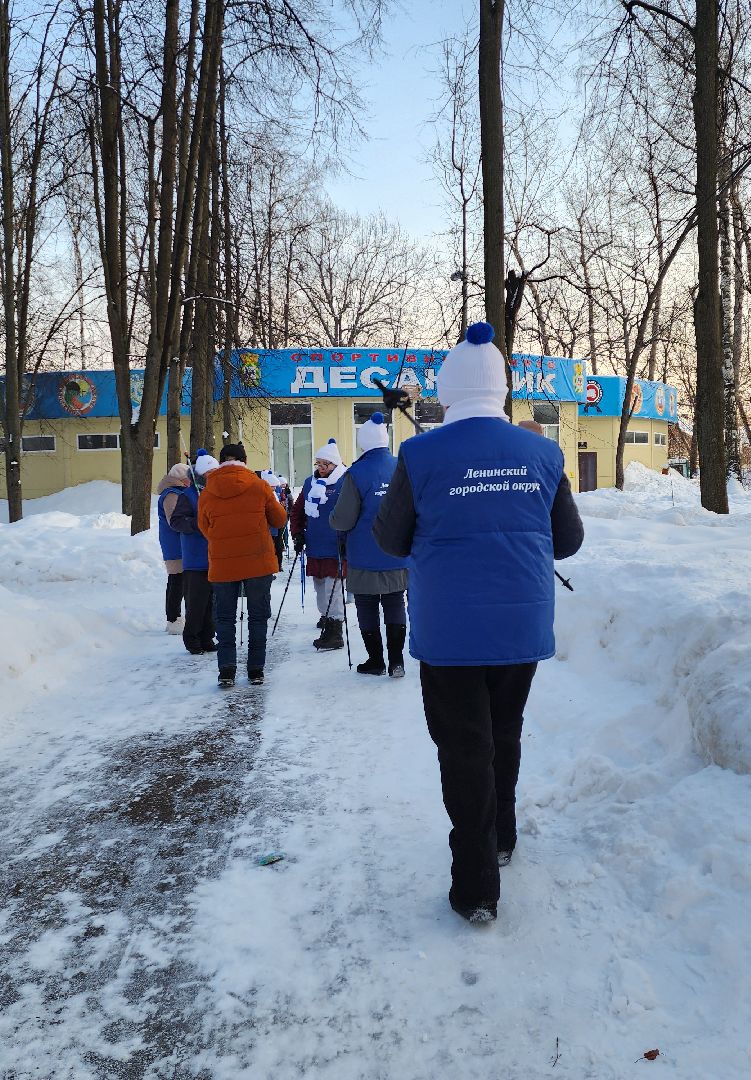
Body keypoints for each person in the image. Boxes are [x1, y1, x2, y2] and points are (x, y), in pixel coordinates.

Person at [373, 321, 584, 925]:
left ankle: (476, 887)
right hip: (522, 625)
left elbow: (390, 540)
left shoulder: (419, 453)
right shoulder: (542, 453)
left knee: (464, 746)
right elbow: (567, 540)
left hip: (450, 631)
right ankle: (502, 835)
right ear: (500, 385)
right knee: (505, 729)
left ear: (447, 388)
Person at [198, 442, 288, 688]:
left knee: (225, 618)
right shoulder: (259, 486)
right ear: (244, 461)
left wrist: (221, 541)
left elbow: (204, 526)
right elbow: (279, 519)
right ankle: (256, 670)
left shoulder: (208, 491)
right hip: (258, 561)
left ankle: (226, 670)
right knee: (258, 617)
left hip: (223, 563)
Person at [330, 411, 408, 677]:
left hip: (365, 554)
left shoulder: (357, 473)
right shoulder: (401, 467)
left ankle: (376, 661)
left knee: (366, 605)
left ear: (362, 442)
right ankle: (397, 661)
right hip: (397, 552)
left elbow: (342, 519)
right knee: (395, 602)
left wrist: (332, 518)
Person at [290, 439, 348, 651]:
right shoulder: (309, 483)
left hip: (336, 545)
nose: (321, 468)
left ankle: (336, 629)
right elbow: (297, 511)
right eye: (319, 464)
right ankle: (326, 619)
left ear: (335, 464)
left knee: (334, 588)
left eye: (326, 464)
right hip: (315, 544)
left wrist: (348, 540)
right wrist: (297, 534)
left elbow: (352, 513)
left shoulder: (345, 481)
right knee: (319, 586)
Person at [169, 449, 218, 655]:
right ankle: (192, 638)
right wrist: (199, 524)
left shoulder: (216, 493)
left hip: (214, 556)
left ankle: (207, 636)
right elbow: (176, 521)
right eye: (210, 473)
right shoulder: (189, 495)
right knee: (196, 602)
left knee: (210, 603)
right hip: (195, 557)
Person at [155, 463, 191, 633]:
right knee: (177, 581)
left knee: (177, 580)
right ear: (181, 479)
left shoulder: (175, 492)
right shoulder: (172, 494)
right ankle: (173, 619)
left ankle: (174, 618)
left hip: (177, 542)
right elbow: (174, 521)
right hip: (175, 543)